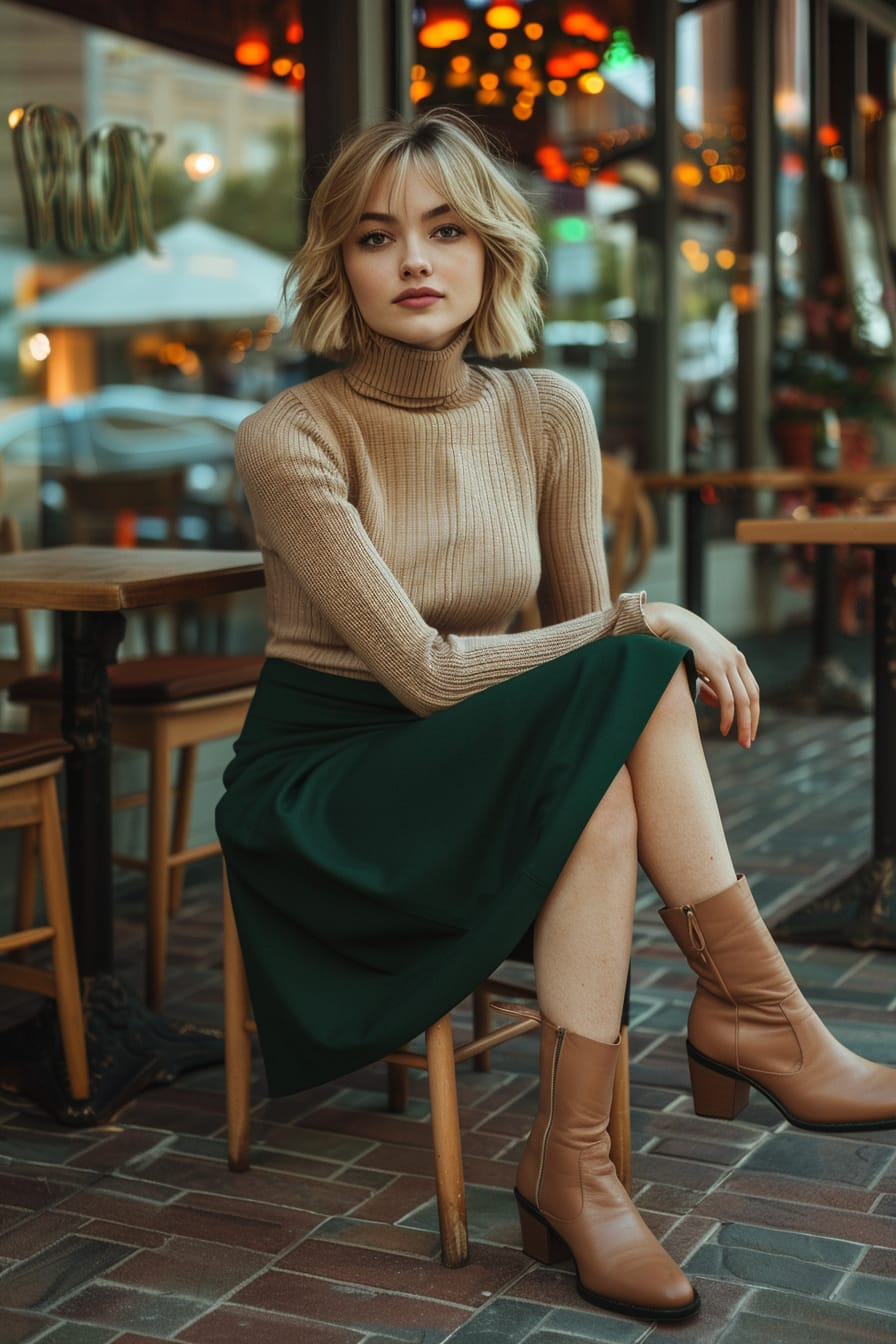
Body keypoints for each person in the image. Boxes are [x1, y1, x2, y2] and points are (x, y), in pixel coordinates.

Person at [216, 108, 896, 1324]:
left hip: (467, 745)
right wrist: (650, 619)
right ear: (339, 263)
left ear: (490, 256)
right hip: (336, 783)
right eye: (377, 237)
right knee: (621, 675)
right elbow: (424, 675)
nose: (414, 261)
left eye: (445, 231)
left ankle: (572, 1165)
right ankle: (752, 1015)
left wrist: (628, 624)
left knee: (601, 779)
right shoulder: (290, 436)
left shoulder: (544, 413)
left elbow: (584, 650)